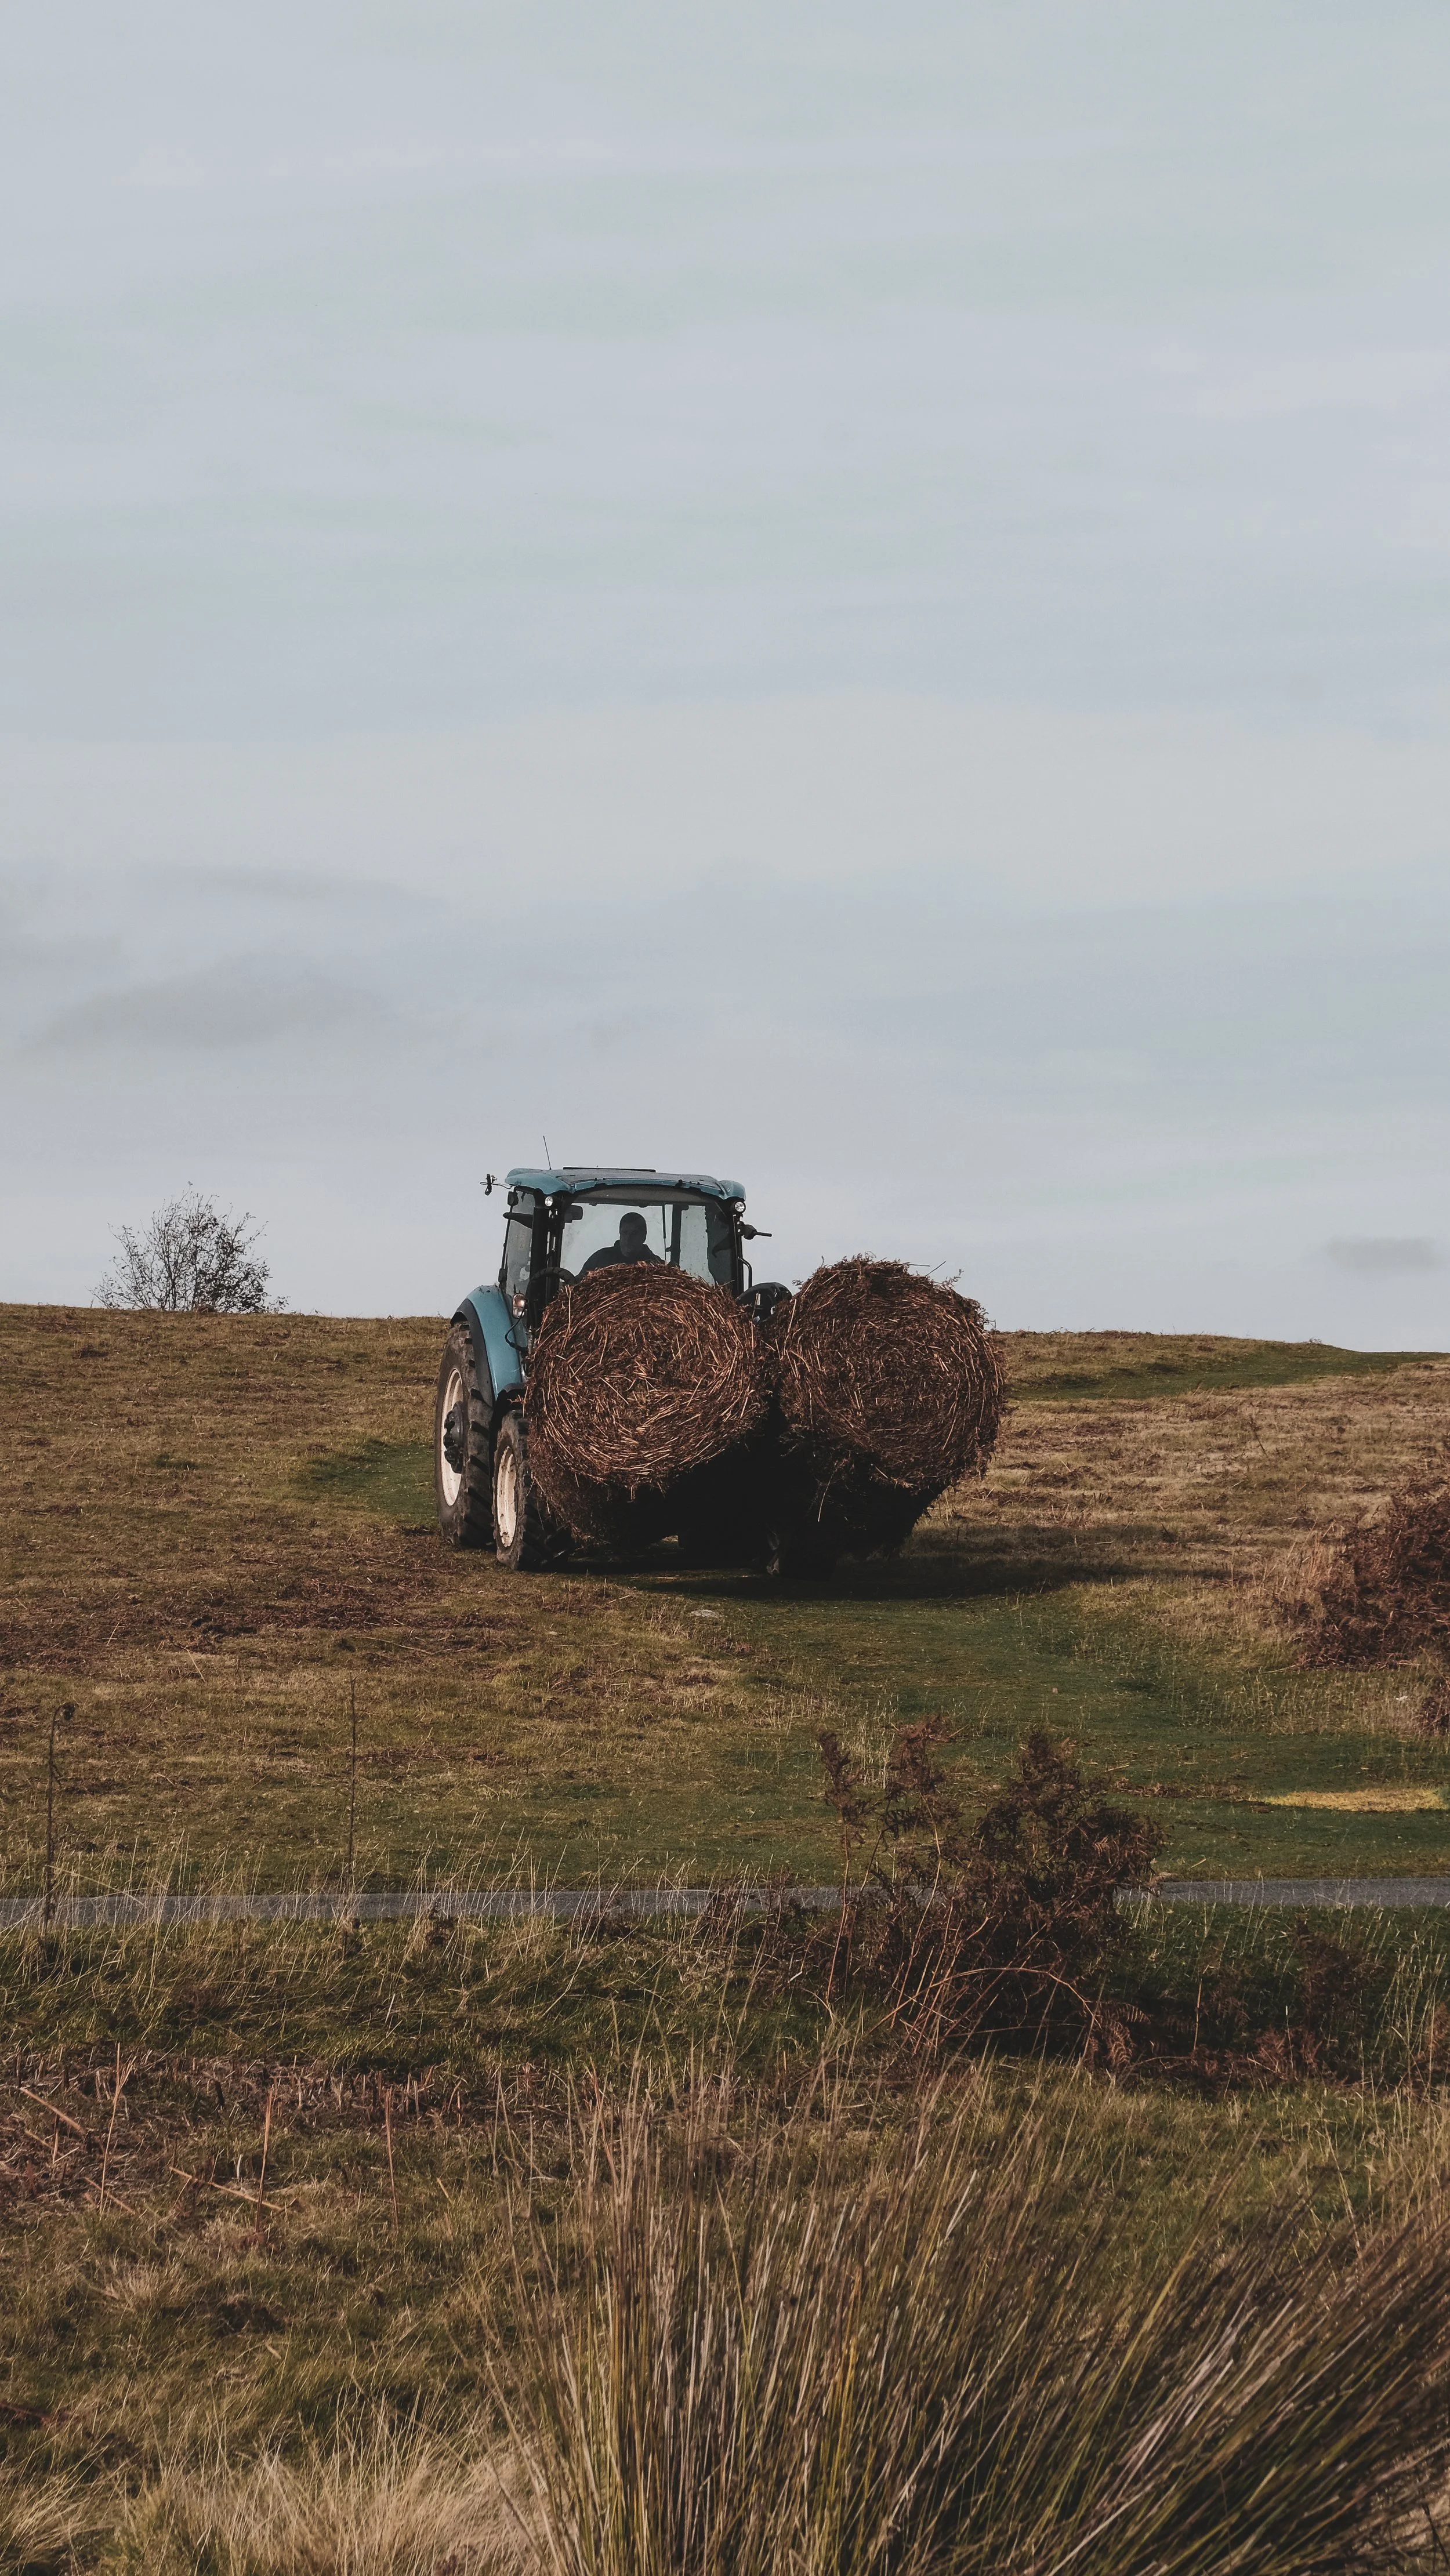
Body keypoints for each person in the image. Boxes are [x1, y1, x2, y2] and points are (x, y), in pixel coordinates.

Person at [579, 1210, 662, 1274]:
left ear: (644, 1236)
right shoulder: (600, 1259)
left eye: (634, 1234)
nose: (628, 1238)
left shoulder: (656, 1266)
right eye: (625, 1233)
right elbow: (578, 1286)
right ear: (620, 1234)